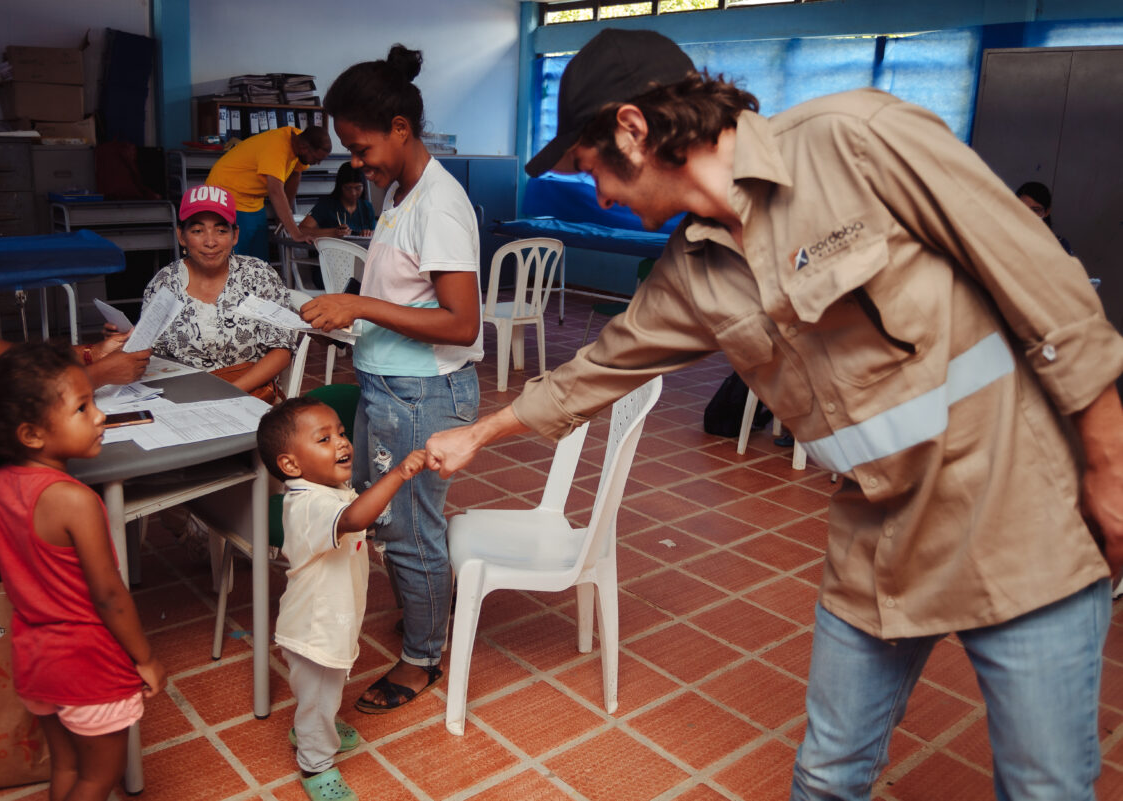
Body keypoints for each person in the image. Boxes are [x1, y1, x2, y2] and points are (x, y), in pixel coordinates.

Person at [425, 29, 1123, 800]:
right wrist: (480, 431)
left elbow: (1046, 285)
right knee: (826, 775)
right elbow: (594, 371)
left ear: (633, 128)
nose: (601, 196)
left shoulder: (854, 139)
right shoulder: (688, 275)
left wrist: (1109, 464)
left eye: (592, 170)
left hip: (1014, 506)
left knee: (1044, 785)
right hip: (877, 535)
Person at [299, 44, 483, 713]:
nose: (356, 161)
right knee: (397, 521)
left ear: (401, 129)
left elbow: (461, 323)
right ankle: (427, 603)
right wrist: (351, 318)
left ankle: (422, 657)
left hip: (422, 394)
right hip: (392, 385)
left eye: (361, 146)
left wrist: (360, 308)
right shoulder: (400, 192)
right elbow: (404, 294)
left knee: (407, 528)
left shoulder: (439, 205)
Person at [0, 182, 148, 620]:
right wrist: (97, 376)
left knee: (25, 479)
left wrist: (91, 353)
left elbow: (9, 358)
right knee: (36, 492)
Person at [0, 343, 166, 801]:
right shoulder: (75, 501)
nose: (99, 416)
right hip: (88, 663)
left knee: (66, 765)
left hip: (35, 658)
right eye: (82, 408)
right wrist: (145, 657)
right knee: (99, 776)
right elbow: (109, 596)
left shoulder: (0, 482)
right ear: (32, 434)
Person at [256, 397, 427, 801]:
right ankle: (316, 766)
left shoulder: (327, 490)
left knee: (322, 695)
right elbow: (354, 519)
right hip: (313, 631)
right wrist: (399, 473)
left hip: (328, 621)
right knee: (319, 697)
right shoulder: (310, 504)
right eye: (324, 438)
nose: (342, 442)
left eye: (341, 433)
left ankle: (315, 726)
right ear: (291, 465)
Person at [142, 185, 295, 402]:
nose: (210, 242)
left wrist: (227, 394)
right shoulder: (164, 283)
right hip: (184, 397)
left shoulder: (258, 275)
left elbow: (281, 350)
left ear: (235, 235)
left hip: (250, 394)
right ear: (181, 236)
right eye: (197, 231)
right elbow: (151, 353)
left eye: (221, 231)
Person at [206, 124, 332, 258]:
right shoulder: (277, 148)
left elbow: (296, 173)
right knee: (237, 257)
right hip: (227, 193)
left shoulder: (300, 138)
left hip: (252, 199)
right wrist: (296, 233)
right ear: (304, 147)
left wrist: (284, 216)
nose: (317, 163)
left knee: (259, 258)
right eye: (316, 159)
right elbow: (275, 191)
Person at [299, 163, 376, 239]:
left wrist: (368, 233)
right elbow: (301, 230)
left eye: (358, 188)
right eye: (348, 188)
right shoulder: (326, 205)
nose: (353, 193)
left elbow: (375, 234)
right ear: (340, 186)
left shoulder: (367, 207)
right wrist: (332, 232)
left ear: (364, 186)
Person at [1016, 180, 1074, 254]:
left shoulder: (1060, 246)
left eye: (1035, 210)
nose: (1028, 214)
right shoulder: (1003, 239)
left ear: (1047, 212)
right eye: (1022, 208)